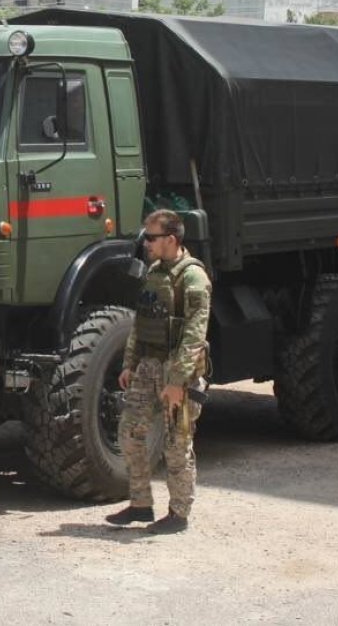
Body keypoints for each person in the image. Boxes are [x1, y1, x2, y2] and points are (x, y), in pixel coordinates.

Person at [107, 209, 213, 535]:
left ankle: (178, 514)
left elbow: (195, 334)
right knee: (129, 432)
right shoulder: (154, 272)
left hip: (175, 371)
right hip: (148, 367)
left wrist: (178, 381)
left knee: (176, 445)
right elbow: (141, 323)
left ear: (171, 239)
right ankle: (140, 504)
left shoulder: (193, 278)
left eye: (152, 237)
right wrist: (129, 364)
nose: (146, 243)